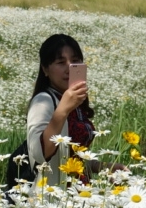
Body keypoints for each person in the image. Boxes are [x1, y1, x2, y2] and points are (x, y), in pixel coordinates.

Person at [24, 33, 96, 184]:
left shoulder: (77, 104)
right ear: (45, 69)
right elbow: (40, 154)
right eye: (60, 62)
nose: (69, 68)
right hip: (54, 197)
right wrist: (62, 110)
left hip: (80, 194)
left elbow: (72, 160)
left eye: (75, 61)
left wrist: (105, 167)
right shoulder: (43, 101)